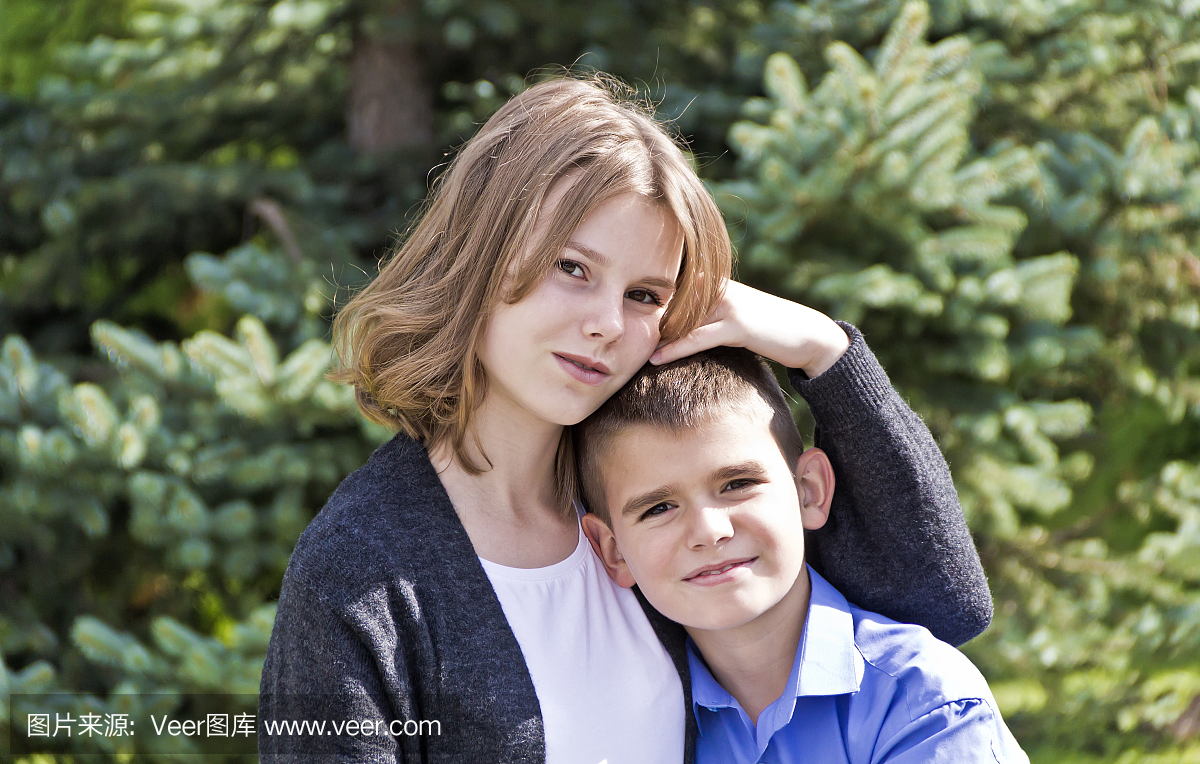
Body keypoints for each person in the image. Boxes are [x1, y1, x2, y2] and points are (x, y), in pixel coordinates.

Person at [258, 74, 991, 762]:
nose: (607, 323)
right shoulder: (360, 568)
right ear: (481, 256)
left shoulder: (651, 503)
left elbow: (939, 604)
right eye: (572, 269)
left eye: (645, 295)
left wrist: (824, 350)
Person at [576, 347, 1026, 764]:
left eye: (737, 484)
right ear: (613, 551)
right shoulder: (635, 723)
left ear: (808, 491)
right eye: (658, 508)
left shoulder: (922, 698)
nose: (710, 532)